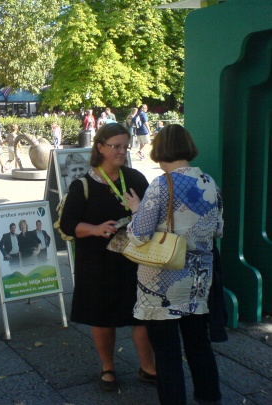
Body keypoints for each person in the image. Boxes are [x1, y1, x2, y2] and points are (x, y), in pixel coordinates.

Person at [124, 124, 223, 405]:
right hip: (199, 280)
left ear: (160, 150)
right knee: (198, 345)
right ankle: (209, 397)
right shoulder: (209, 182)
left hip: (163, 282)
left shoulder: (161, 184)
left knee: (166, 353)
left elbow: (139, 234)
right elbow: (218, 229)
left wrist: (136, 211)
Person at [59, 123, 156, 392]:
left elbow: (153, 216)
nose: (122, 151)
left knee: (140, 315)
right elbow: (68, 225)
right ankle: (108, 367)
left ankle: (149, 367)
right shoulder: (83, 185)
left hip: (133, 259)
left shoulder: (135, 178)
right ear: (100, 147)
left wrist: (140, 214)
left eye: (125, 146)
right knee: (102, 317)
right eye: (116, 146)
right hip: (97, 261)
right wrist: (95, 229)